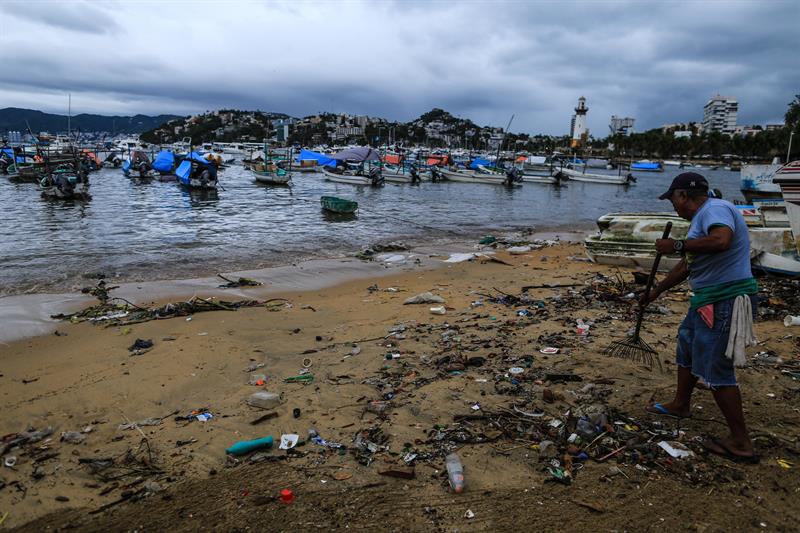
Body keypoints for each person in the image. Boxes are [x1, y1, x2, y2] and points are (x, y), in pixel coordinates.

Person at [643, 172, 759, 463]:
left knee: (716, 368)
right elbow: (687, 267)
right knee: (687, 345)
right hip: (706, 300)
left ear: (683, 195)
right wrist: (656, 291)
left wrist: (678, 245)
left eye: (672, 200)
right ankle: (681, 403)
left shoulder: (716, 209)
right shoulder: (701, 220)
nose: (673, 207)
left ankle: (741, 443)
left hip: (725, 300)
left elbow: (721, 240)